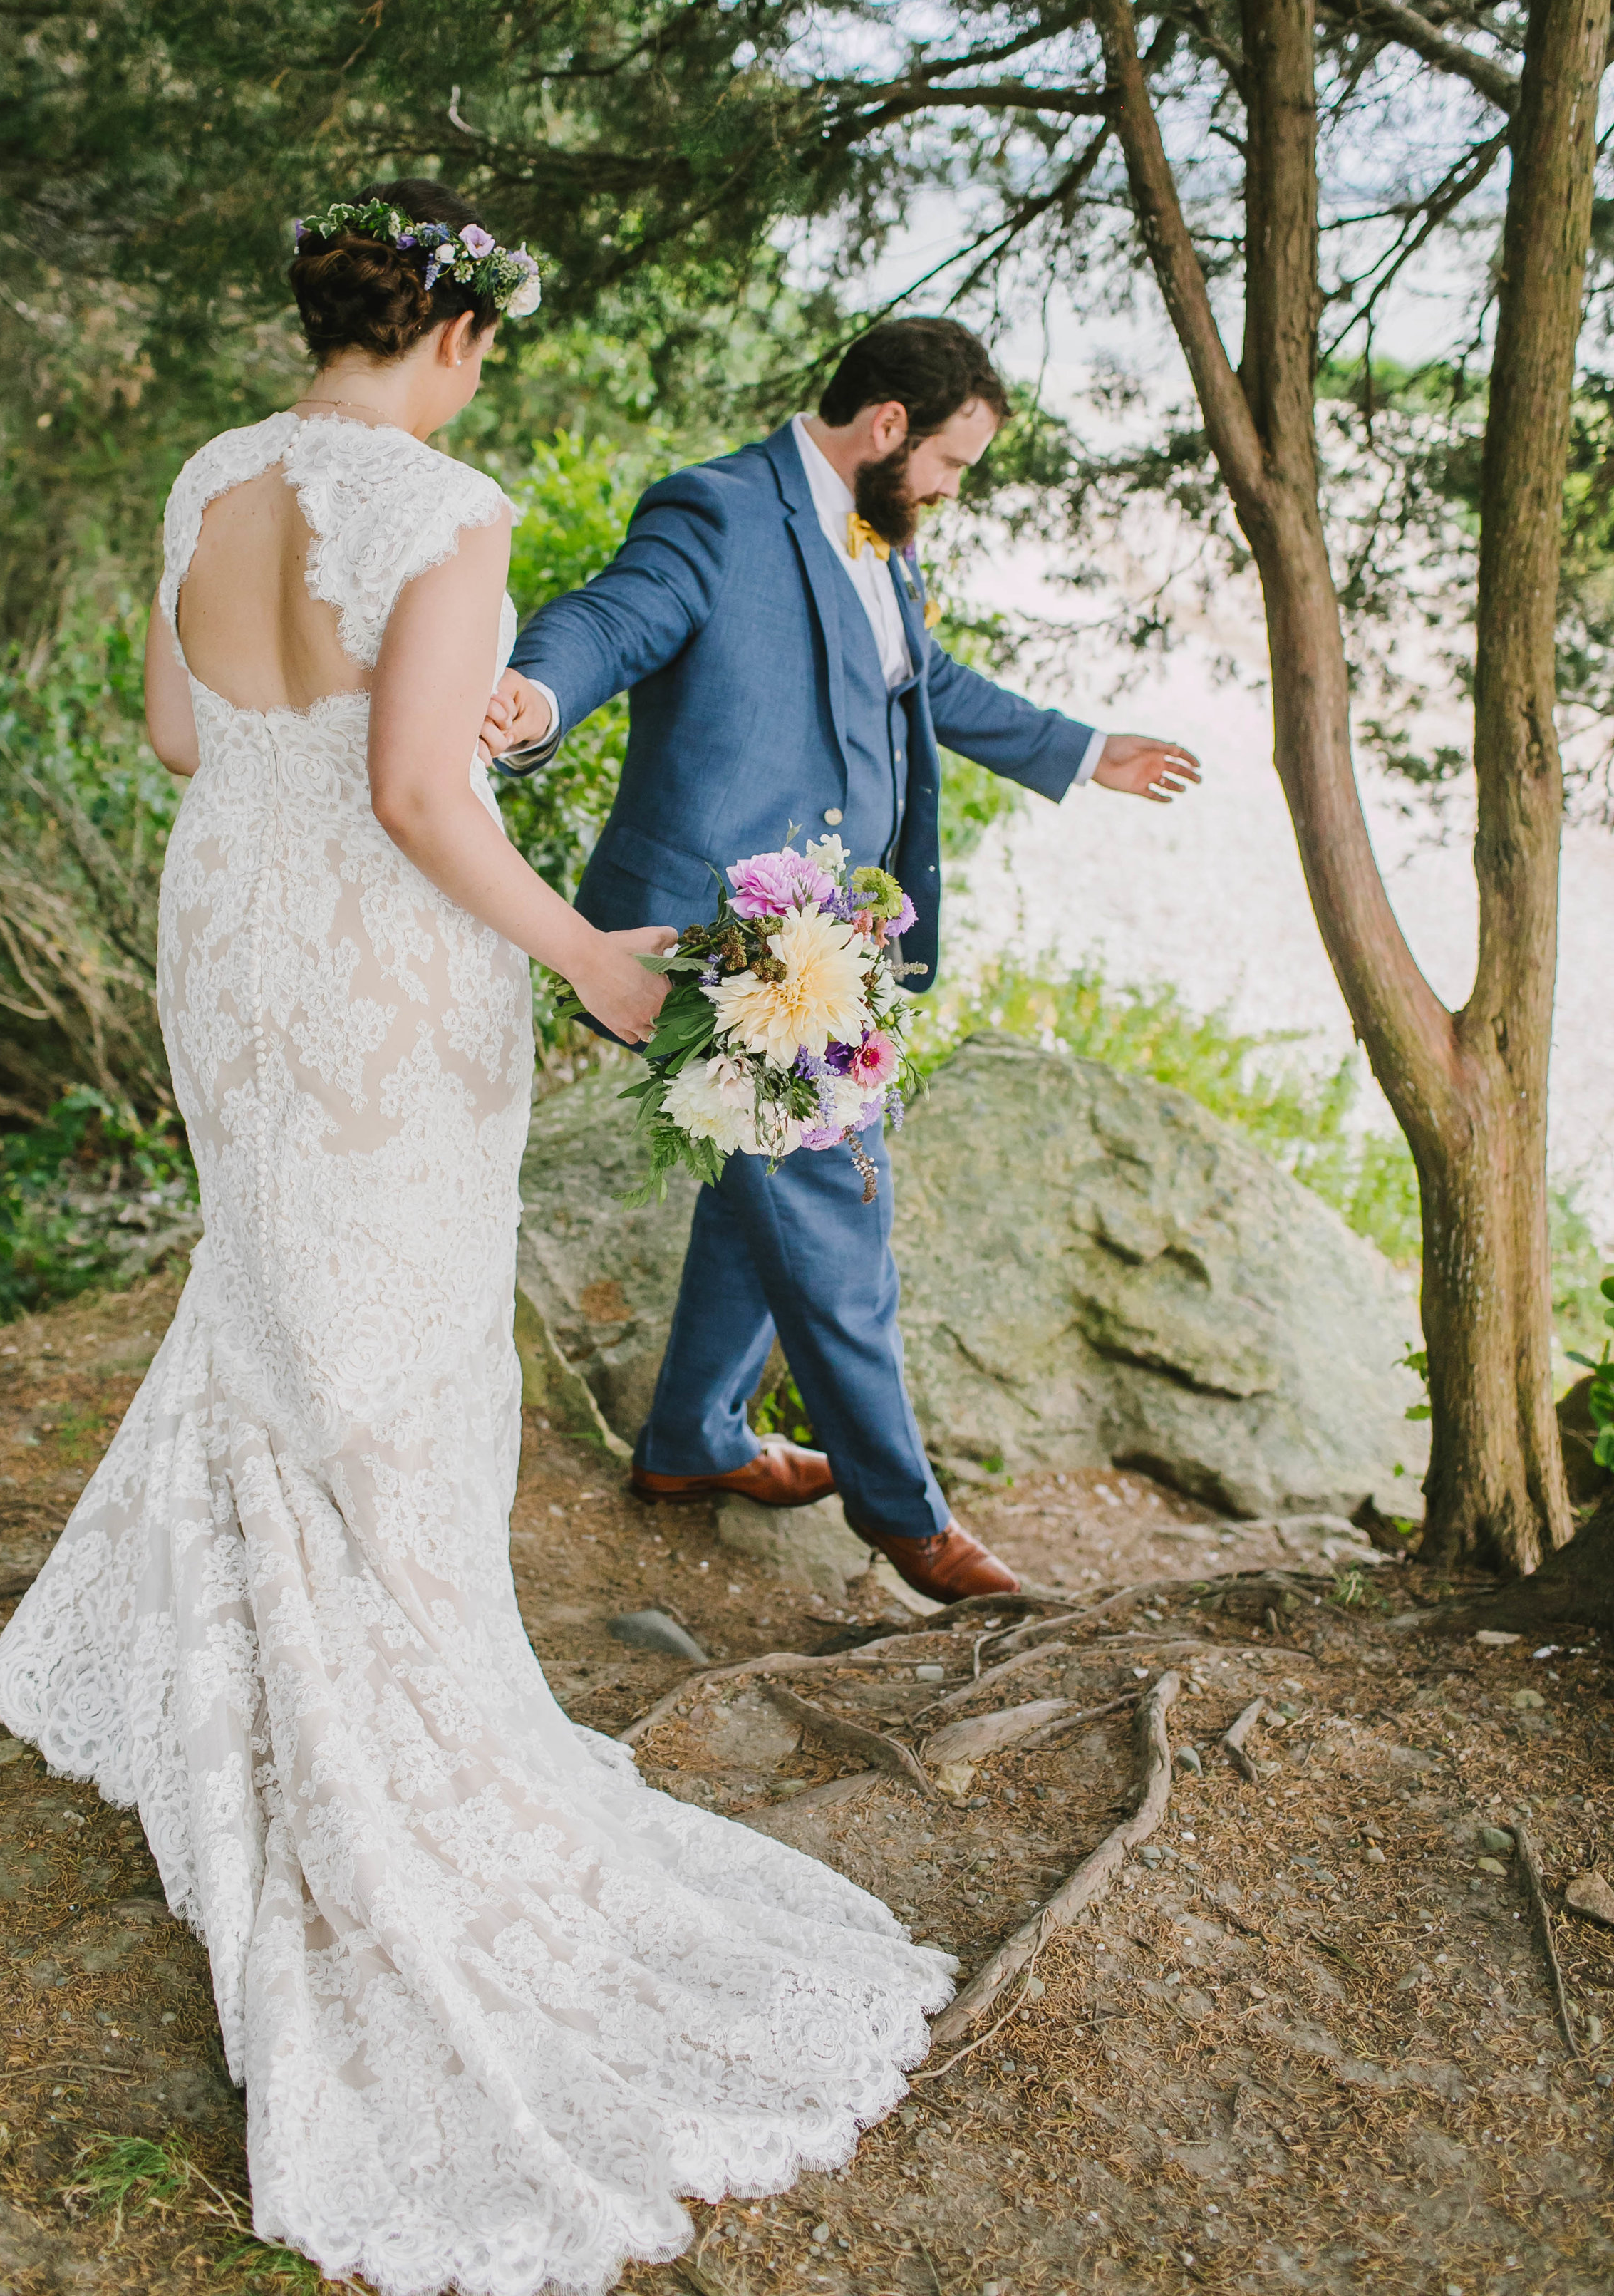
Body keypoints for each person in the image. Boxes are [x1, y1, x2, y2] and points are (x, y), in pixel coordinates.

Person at [0, 184, 956, 2296]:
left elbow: (177, 736)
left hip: (222, 936)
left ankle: (281, 1662)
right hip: (376, 961)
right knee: (396, 1337)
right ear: (456, 338)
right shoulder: (440, 500)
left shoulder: (209, 471)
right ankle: (387, 1718)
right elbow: (427, 795)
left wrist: (303, 769)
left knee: (282, 1301)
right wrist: (591, 959)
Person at [497, 321, 1200, 1602]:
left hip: (833, 940)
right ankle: (907, 1519)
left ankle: (690, 1442)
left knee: (753, 1189)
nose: (950, 486)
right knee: (834, 1210)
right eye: (950, 460)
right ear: (887, 427)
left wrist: (1084, 748)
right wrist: (533, 698)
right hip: (714, 944)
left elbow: (917, 676)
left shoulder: (882, 536)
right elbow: (613, 617)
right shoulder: (717, 508)